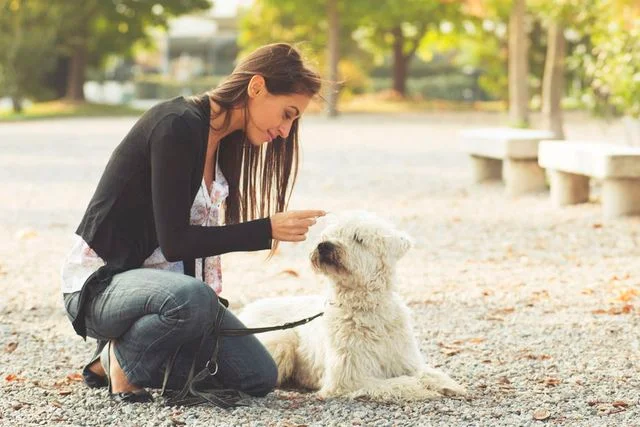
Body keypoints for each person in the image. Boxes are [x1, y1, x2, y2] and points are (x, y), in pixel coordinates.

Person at [60, 43, 325, 403]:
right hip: (104, 286)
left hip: (174, 299)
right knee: (195, 300)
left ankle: (124, 360)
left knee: (258, 375)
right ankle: (118, 358)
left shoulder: (226, 143)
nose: (284, 130)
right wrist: (266, 229)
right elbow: (176, 242)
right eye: (287, 113)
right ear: (257, 87)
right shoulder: (177, 125)